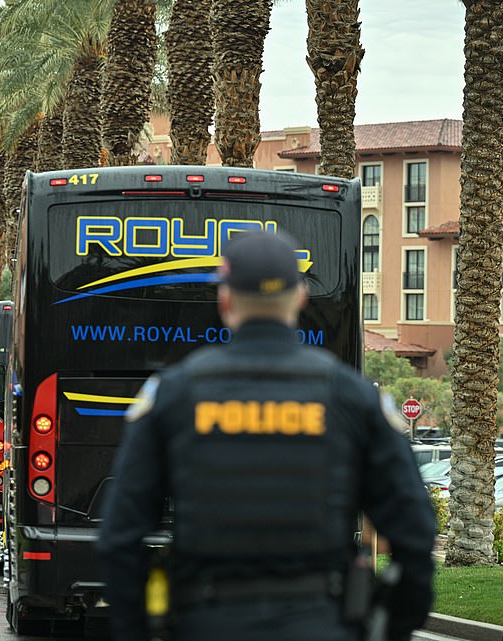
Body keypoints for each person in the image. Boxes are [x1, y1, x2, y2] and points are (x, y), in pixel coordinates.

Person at [97, 230, 436, 641]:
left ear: (224, 301)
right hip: (321, 625)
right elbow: (415, 534)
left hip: (206, 623)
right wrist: (386, 627)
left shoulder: (174, 396)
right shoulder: (354, 399)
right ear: (299, 298)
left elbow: (119, 538)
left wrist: (141, 628)